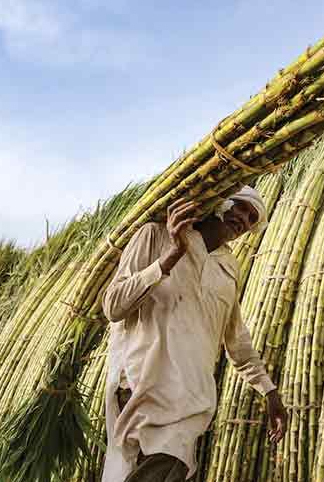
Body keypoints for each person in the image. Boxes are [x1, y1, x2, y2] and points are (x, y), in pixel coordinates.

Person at [101, 186, 288, 482]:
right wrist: (171, 256)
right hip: (143, 386)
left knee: (165, 467)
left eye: (251, 218)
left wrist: (269, 390)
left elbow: (236, 341)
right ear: (219, 200)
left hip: (191, 401)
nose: (243, 218)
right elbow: (113, 306)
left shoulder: (229, 269)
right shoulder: (155, 235)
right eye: (240, 206)